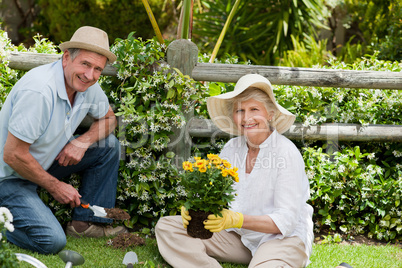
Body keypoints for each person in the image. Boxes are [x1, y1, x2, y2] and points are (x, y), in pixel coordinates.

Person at [155, 74, 314, 267]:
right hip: (239, 238)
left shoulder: (286, 152)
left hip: (281, 239)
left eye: (254, 109)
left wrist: (236, 219)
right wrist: (193, 208)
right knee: (168, 227)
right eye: (240, 111)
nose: (247, 118)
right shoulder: (231, 148)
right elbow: (214, 193)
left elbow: (285, 222)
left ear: (270, 114)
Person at [0, 26, 127, 254]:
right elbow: (12, 155)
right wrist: (55, 185)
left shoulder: (87, 86)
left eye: (98, 69)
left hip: (39, 165)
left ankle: (86, 224)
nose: (90, 75)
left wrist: (82, 141)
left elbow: (109, 119)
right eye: (85, 64)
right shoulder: (39, 92)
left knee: (108, 146)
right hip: (8, 177)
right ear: (67, 57)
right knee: (51, 241)